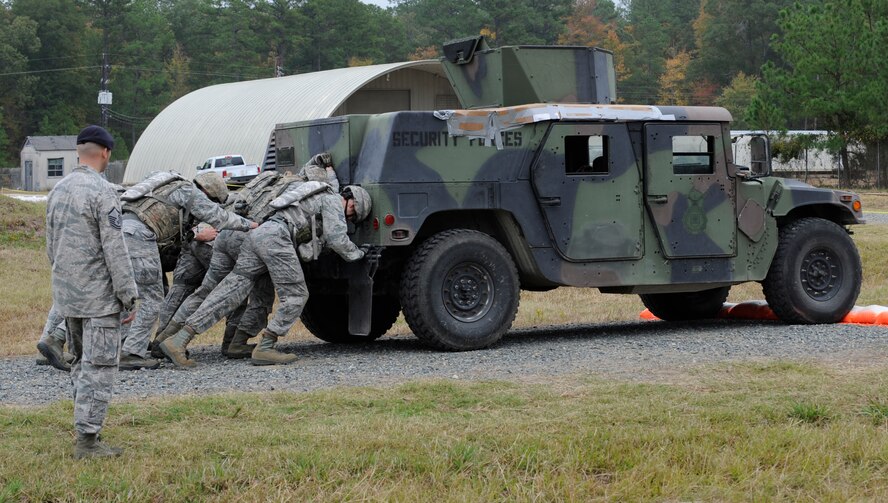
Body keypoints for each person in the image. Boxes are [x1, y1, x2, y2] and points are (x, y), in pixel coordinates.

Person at [160, 183, 372, 367]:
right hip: (277, 237)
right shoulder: (333, 200)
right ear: (349, 198)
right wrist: (359, 254)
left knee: (229, 291)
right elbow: (337, 239)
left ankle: (179, 340)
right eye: (353, 211)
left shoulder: (314, 194)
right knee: (297, 295)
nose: (350, 216)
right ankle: (266, 346)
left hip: (259, 234)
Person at [45, 125, 140, 459]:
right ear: (105, 153)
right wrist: (128, 293)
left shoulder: (57, 190)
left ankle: (84, 426)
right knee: (99, 367)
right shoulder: (103, 191)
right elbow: (115, 247)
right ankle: (87, 441)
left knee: (80, 364)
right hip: (99, 299)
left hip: (68, 297)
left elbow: (51, 246)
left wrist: (64, 284)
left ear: (78, 151)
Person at [117, 170, 257, 370]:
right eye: (213, 200)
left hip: (122, 232)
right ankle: (131, 353)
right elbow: (219, 217)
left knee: (127, 296)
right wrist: (250, 225)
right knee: (152, 298)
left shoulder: (168, 186)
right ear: (207, 193)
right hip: (139, 237)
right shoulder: (189, 193)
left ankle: (125, 345)